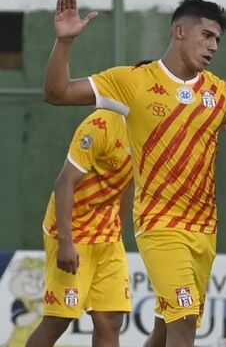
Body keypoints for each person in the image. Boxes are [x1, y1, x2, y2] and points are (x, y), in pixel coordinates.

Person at [43, 0, 226, 347]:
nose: (213, 46)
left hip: (205, 229)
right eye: (206, 35)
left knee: (167, 326)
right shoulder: (134, 81)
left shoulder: (222, 93)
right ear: (179, 32)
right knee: (184, 319)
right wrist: (64, 42)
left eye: (218, 40)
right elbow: (57, 92)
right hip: (159, 224)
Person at [26, 107, 134, 347]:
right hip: (72, 232)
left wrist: (119, 230)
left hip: (109, 236)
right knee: (59, 319)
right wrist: (65, 242)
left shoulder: (151, 130)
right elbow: (64, 182)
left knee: (110, 319)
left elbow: (126, 181)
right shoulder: (100, 125)